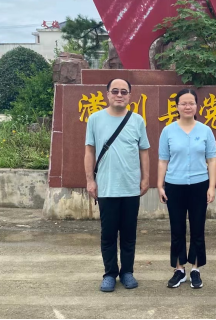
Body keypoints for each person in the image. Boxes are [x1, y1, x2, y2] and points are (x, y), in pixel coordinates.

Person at [85, 78, 151, 293]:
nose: (119, 95)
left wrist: (145, 178)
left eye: (124, 91)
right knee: (108, 234)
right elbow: (89, 151)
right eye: (115, 91)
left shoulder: (137, 120)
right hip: (106, 187)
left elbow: (144, 151)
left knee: (129, 234)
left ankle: (127, 272)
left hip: (130, 187)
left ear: (130, 96)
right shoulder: (95, 119)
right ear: (107, 94)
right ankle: (110, 274)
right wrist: (90, 180)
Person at [158, 89, 216, 289]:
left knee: (198, 228)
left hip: (199, 185)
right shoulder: (168, 131)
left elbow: (212, 160)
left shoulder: (205, 130)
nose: (187, 106)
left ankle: (195, 269)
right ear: (177, 107)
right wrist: (160, 185)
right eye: (183, 103)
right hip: (174, 185)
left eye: (191, 103)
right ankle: (179, 269)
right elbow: (163, 160)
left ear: (196, 106)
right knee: (177, 229)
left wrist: (211, 186)